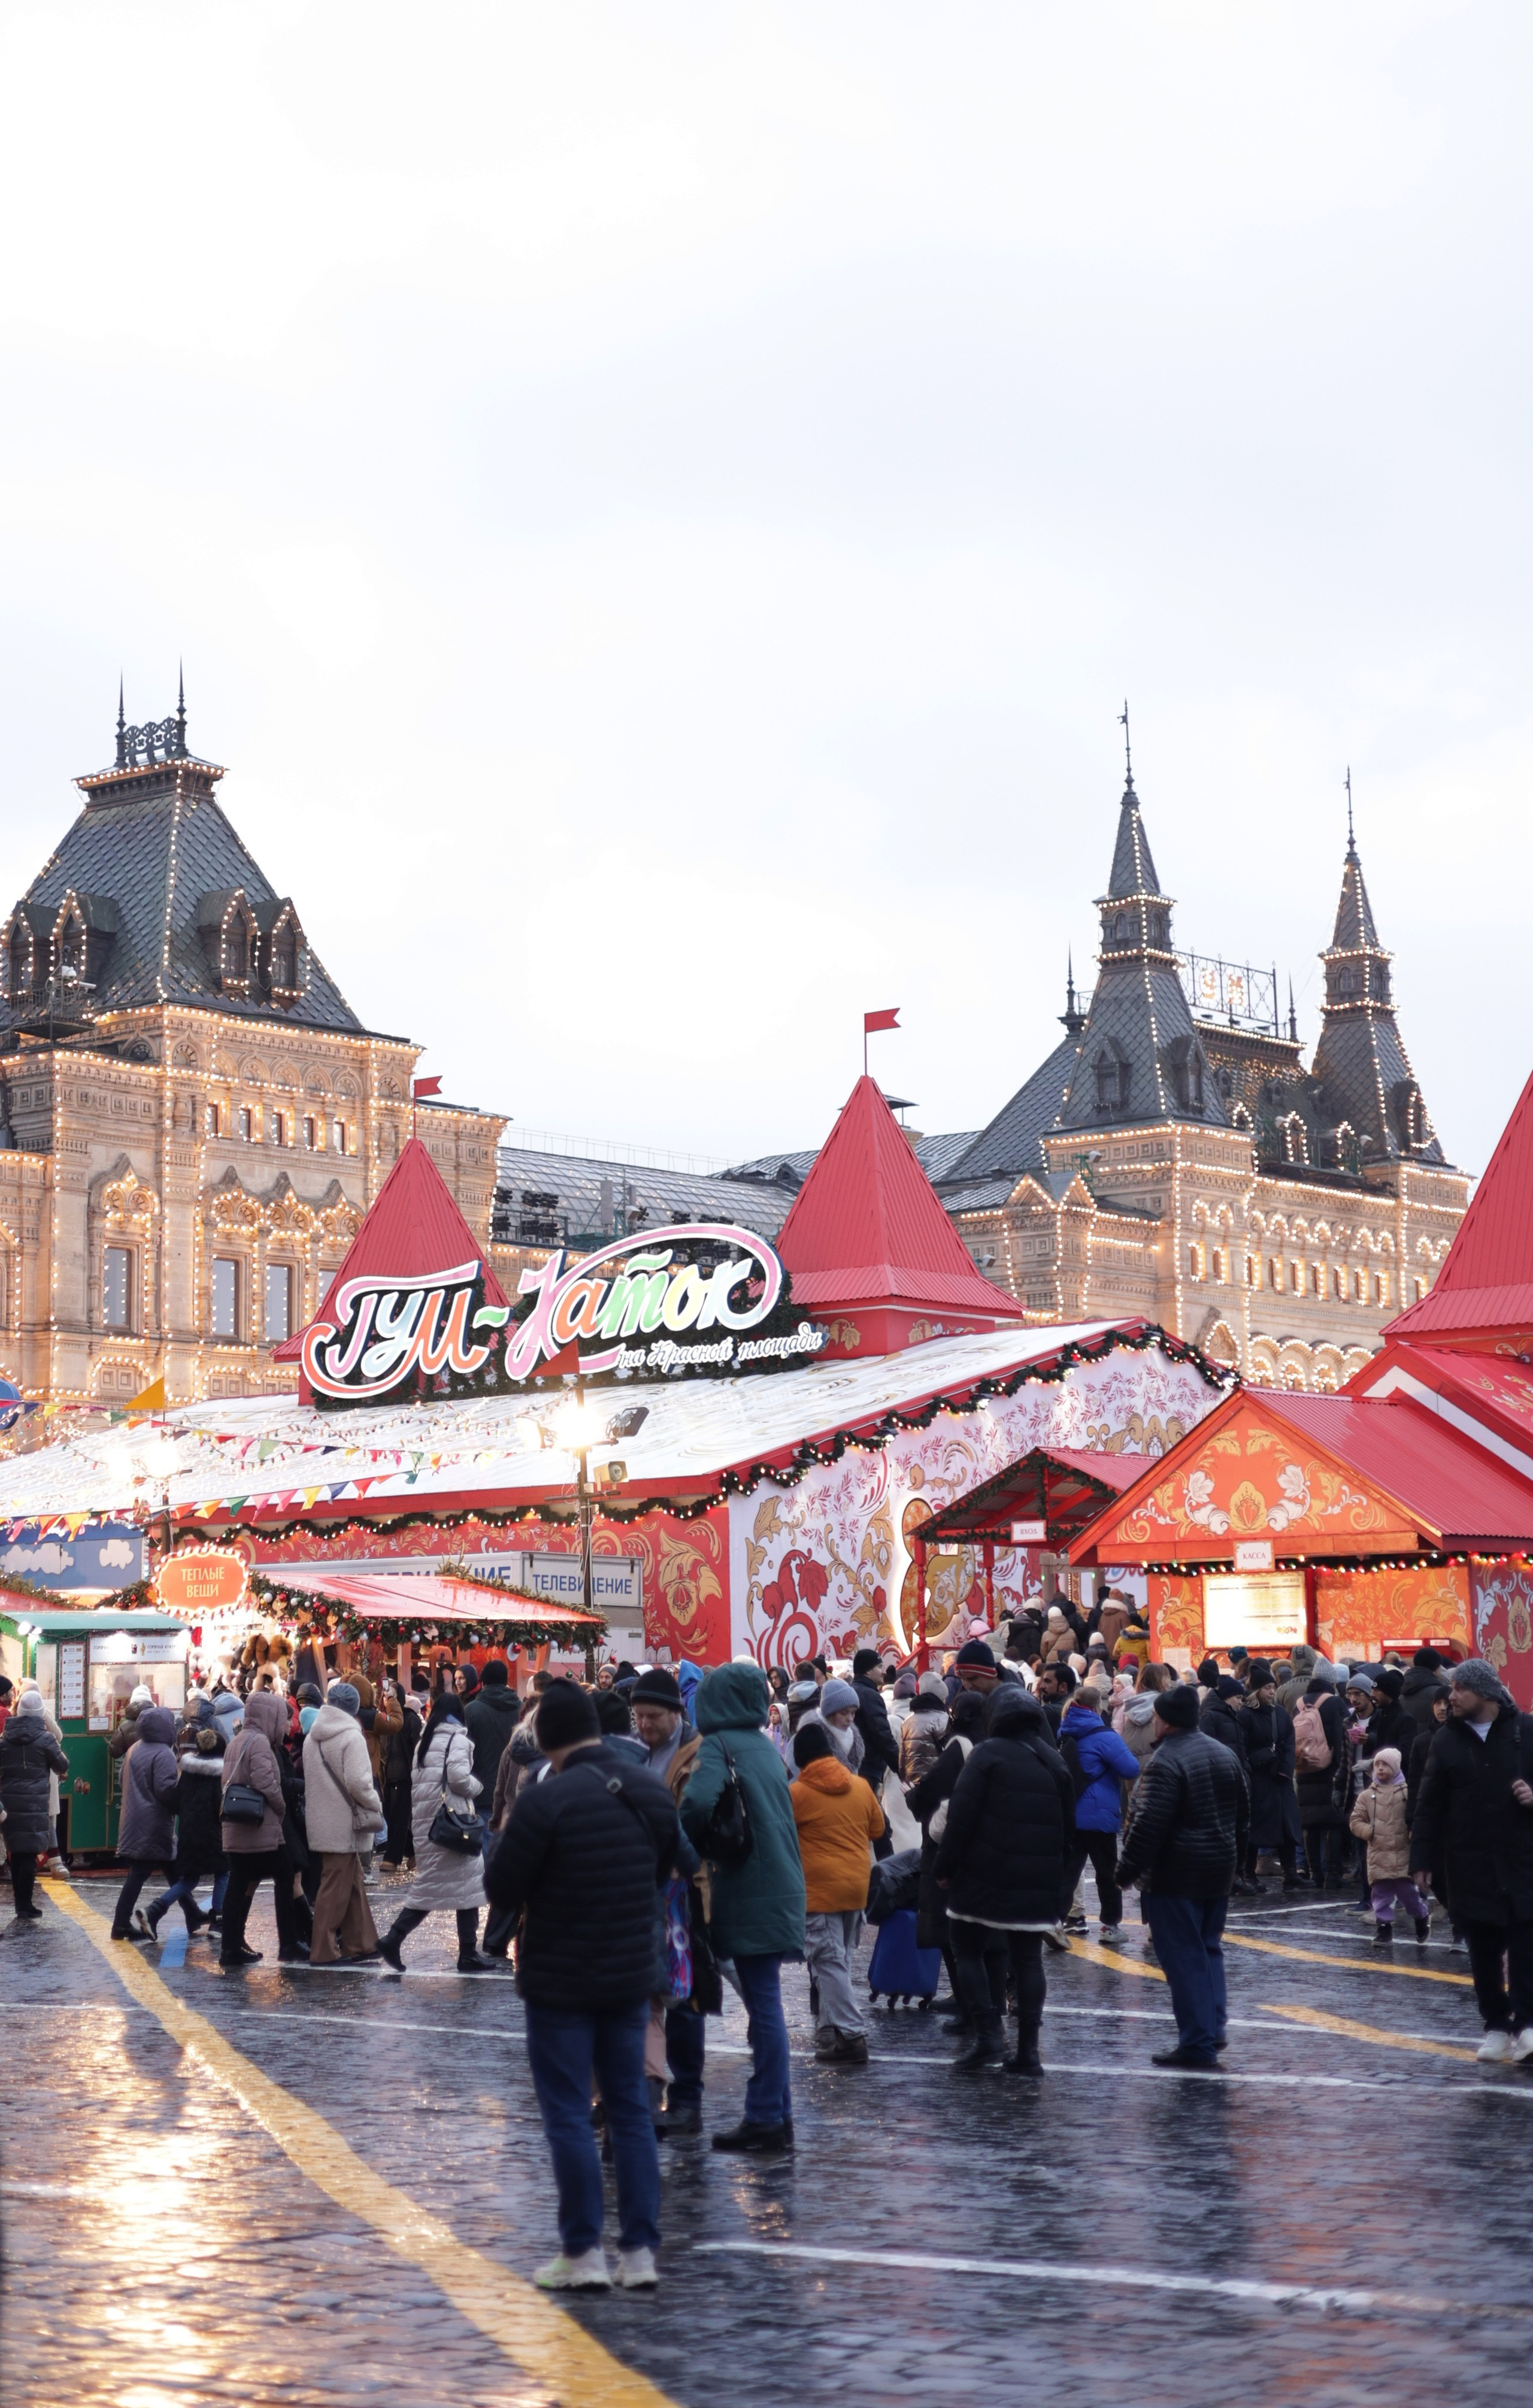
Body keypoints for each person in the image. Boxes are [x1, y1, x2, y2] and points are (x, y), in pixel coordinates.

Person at [483, 1679, 679, 2292]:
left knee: (569, 2111)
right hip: (629, 1976)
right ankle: (641, 2253)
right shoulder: (647, 1787)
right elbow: (684, 1861)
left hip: (558, 1980)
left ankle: (583, 2252)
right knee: (629, 2111)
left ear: (543, 1738)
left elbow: (501, 1889)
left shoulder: (545, 1800)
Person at [680, 1661, 807, 2154]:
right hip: (781, 1882)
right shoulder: (764, 1746)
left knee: (764, 2006)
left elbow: (696, 1804)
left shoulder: (719, 1745)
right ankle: (781, 2112)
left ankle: (764, 2117)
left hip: (751, 1887)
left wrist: (681, 1847)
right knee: (765, 2000)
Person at [932, 1687, 1074, 2075]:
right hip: (1038, 1881)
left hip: (983, 1877)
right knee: (1028, 1959)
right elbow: (1069, 1835)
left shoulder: (986, 1755)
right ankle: (1028, 2051)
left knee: (968, 1948)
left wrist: (944, 1868)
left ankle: (988, 2036)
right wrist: (1062, 1889)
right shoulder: (1054, 1761)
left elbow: (960, 1819)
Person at [1114, 1682, 1249, 2069]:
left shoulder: (1166, 1760)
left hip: (1176, 1875)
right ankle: (1212, 2027)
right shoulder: (1222, 1753)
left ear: (1166, 1721)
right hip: (1217, 1869)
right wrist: (1236, 1862)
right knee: (1208, 1949)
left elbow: (1149, 1825)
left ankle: (1198, 2040)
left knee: (1184, 1957)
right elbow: (1244, 1813)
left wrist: (1126, 1871)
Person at [1408, 1658, 1533, 2062]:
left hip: (1522, 1859)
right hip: (1468, 1861)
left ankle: (1529, 2024)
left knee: (1527, 1944)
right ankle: (1496, 2025)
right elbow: (1428, 1806)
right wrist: (1421, 1859)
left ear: (1485, 1692)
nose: (1450, 1697)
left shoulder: (1526, 1730)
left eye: (1459, 1688)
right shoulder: (1444, 1741)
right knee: (1482, 1949)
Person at [631, 1667, 709, 2135]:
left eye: (653, 1715)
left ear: (676, 1712)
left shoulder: (695, 1753)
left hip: (684, 1889)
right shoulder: (641, 1753)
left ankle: (687, 2098)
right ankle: (652, 2092)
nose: (644, 1724)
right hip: (647, 1889)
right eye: (638, 1715)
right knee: (654, 1995)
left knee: (684, 1998)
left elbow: (694, 1822)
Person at [378, 1689, 496, 1971]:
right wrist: (477, 1788)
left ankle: (397, 1939)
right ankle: (463, 1952)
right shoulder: (456, 1737)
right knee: (463, 1885)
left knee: (442, 1885)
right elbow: (457, 1777)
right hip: (452, 1825)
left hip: (428, 1826)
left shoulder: (425, 1741)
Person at [789, 1721, 884, 2065]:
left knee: (827, 1963)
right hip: (856, 1888)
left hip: (819, 1891)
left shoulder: (796, 1794)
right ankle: (831, 2031)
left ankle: (853, 2034)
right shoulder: (860, 1787)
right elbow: (878, 1829)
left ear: (800, 1760)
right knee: (838, 1961)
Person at [906, 1689, 989, 2026]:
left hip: (948, 1840)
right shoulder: (991, 1741)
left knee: (950, 1931)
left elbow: (934, 1787)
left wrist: (914, 1799)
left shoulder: (959, 1746)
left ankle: (969, 2008)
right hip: (981, 1845)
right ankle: (980, 2007)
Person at [302, 1681, 384, 1965]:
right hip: (346, 1823)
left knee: (352, 1881)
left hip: (322, 1820)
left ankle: (361, 1943)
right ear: (354, 1708)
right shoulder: (352, 1737)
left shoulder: (311, 1737)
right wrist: (376, 1805)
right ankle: (323, 1950)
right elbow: (360, 1783)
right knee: (336, 1885)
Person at [220, 1690, 305, 1965]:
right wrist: (279, 1806)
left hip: (238, 1827)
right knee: (285, 1876)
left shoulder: (239, 1741)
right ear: (271, 1716)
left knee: (238, 1882)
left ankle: (231, 1946)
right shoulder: (259, 1743)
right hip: (261, 1828)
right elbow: (266, 1782)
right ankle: (289, 1942)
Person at [1057, 1686, 1140, 1940]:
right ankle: (1110, 1927)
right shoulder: (1104, 1736)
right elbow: (1131, 1768)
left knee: (1068, 1873)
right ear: (1097, 1708)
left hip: (1071, 1813)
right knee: (1107, 1873)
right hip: (1099, 1816)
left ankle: (1055, 1922)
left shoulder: (1065, 1731)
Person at [146, 1704, 226, 1941]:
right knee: (224, 1872)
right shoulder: (218, 1776)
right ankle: (218, 1921)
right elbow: (219, 1809)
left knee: (189, 1880)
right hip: (213, 1836)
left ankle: (154, 1910)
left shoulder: (188, 1772)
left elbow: (178, 1801)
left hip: (188, 1835)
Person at [110, 1706, 182, 1941]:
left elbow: (123, 1781)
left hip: (134, 1819)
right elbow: (166, 1790)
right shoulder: (164, 1753)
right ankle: (120, 1925)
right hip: (154, 1823)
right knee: (140, 1872)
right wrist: (184, 1801)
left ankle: (192, 1915)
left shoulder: (134, 1749)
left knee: (173, 1869)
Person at [0, 1690, 68, 1924]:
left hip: (9, 1804)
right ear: (40, 1714)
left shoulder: (4, 1739)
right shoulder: (46, 1739)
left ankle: (21, 1904)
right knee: (29, 1855)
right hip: (35, 1803)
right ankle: (25, 1906)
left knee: (17, 1852)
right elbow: (62, 1765)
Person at [1350, 1746, 1429, 1943]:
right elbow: (1355, 1820)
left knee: (1408, 1894)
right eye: (1377, 1764)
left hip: (1403, 1853)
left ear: (1396, 1767)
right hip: (1378, 1854)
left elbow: (1417, 1816)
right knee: (1380, 1895)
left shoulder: (1407, 1793)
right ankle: (1384, 1927)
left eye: (1385, 1764)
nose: (1380, 1768)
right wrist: (1368, 1832)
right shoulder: (1367, 1796)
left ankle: (1421, 1916)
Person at [1240, 1661, 1306, 1894]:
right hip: (1258, 1779)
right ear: (1257, 1690)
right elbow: (1242, 1747)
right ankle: (1249, 1874)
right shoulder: (1246, 1715)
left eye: (1272, 1687)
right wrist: (1256, 1762)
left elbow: (1289, 1742)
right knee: (1256, 1829)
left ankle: (1290, 1873)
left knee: (1288, 1826)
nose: (1271, 1692)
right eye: (1267, 1688)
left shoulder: (1279, 1713)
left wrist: (1285, 1770)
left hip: (1280, 1778)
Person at [1293, 1673, 1350, 1888]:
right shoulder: (1334, 1702)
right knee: (1333, 1822)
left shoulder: (1299, 1703)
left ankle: (1315, 1874)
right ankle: (1333, 1875)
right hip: (1329, 1767)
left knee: (1309, 1823)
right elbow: (1341, 1734)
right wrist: (1341, 1765)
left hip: (1304, 1767)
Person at [850, 1647, 901, 1853]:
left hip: (855, 1767)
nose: (883, 1671)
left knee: (873, 1824)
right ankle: (889, 1877)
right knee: (880, 1828)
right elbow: (882, 1736)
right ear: (868, 1671)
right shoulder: (870, 1696)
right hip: (868, 1768)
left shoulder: (853, 1691)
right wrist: (902, 1767)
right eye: (879, 1667)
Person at [465, 1659, 520, 1837]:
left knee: (487, 1847)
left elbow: (464, 1753)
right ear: (506, 1681)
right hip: (516, 1787)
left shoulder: (472, 1710)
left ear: (483, 1682)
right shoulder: (522, 1709)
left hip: (482, 1788)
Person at [381, 1686, 423, 1867]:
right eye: (384, 1695)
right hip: (386, 1776)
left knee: (398, 1816)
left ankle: (392, 1858)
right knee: (390, 1815)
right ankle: (413, 1852)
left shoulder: (410, 1718)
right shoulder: (381, 1719)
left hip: (403, 1775)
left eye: (391, 1695)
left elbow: (418, 1747)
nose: (386, 1698)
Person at [900, 1673, 952, 1785]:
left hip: (912, 1783)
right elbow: (950, 1755)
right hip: (936, 1782)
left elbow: (902, 1757)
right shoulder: (943, 1719)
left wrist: (904, 1780)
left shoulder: (908, 1721)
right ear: (940, 1698)